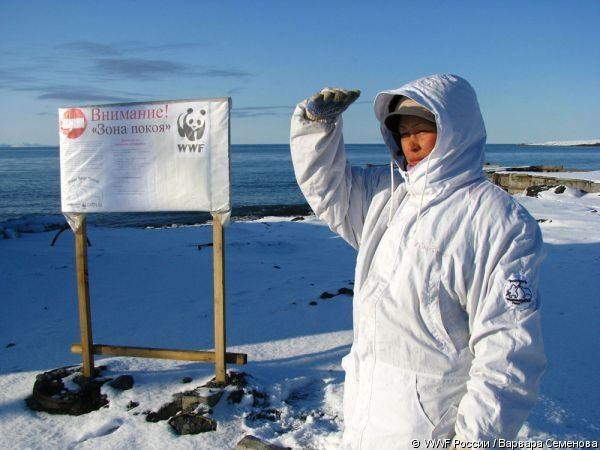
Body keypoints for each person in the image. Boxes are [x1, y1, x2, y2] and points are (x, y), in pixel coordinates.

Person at [289, 74, 546, 449]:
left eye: (422, 129)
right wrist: (317, 128)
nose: (409, 140)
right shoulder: (390, 195)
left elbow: (508, 352)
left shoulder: (497, 221)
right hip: (365, 418)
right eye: (402, 130)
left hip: (430, 430)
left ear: (455, 130)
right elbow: (330, 192)